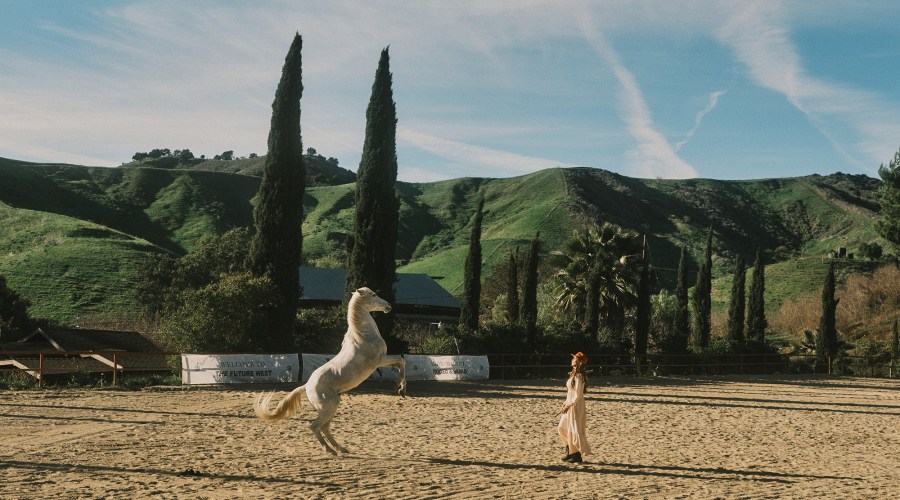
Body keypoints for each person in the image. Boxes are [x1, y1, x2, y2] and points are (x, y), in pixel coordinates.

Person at [557, 351, 591, 463]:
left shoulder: (580, 377)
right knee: (562, 428)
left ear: (578, 362)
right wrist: (564, 404)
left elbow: (578, 395)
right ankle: (571, 450)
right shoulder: (573, 374)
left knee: (573, 429)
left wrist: (569, 405)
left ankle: (575, 454)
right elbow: (570, 393)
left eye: (574, 359)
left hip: (576, 406)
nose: (572, 360)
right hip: (570, 403)